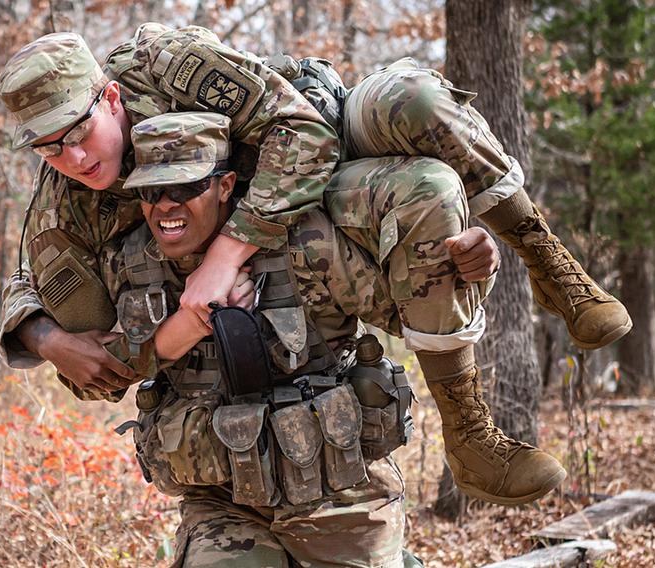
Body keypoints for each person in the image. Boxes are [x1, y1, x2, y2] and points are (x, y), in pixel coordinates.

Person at [0, 24, 619, 501]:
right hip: (275, 225)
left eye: (78, 132)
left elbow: (304, 133)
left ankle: (549, 266)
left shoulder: (170, 65)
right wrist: (44, 336)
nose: (72, 157)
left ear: (108, 97)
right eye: (49, 148)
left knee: (422, 100)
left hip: (322, 140)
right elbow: (37, 279)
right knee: (428, 193)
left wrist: (224, 255)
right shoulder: (65, 201)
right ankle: (470, 445)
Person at [73, 111, 555, 566]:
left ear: (224, 187)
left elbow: (412, 306)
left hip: (341, 492)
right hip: (223, 500)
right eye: (151, 192)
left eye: (186, 187)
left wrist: (472, 268)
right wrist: (181, 328)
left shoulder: (307, 244)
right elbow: (98, 370)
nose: (166, 207)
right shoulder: (128, 263)